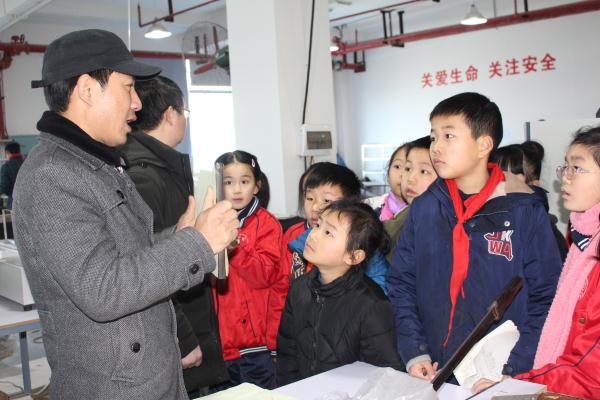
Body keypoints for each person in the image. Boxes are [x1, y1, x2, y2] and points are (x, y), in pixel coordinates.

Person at [13, 29, 239, 400]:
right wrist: (197, 243)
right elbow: (104, 289)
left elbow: (126, 253)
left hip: (147, 377)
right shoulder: (52, 176)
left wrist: (179, 236)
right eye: (129, 87)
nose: (137, 104)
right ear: (88, 89)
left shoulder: (97, 163)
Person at [387, 92, 562, 383]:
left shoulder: (522, 210)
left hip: (498, 372)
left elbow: (546, 296)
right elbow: (401, 282)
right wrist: (414, 351)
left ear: (484, 145)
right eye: (433, 137)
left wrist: (514, 367)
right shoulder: (426, 207)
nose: (436, 147)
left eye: (448, 136)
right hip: (433, 367)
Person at [118, 76, 228, 396]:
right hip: (176, 329)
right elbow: (144, 268)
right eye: (184, 112)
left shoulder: (160, 168)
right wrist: (184, 338)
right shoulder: (144, 178)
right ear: (170, 114)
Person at [473, 126, 600, 398]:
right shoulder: (582, 237)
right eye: (565, 167)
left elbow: (591, 371)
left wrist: (516, 385)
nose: (565, 177)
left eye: (577, 168)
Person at [276, 200, 403, 385]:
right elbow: (287, 354)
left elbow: (386, 375)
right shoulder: (299, 288)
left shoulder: (372, 305)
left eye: (328, 233)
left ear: (354, 256)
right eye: (318, 225)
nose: (314, 235)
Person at [212, 150, 283, 390]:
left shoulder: (267, 224)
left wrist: (235, 247)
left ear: (256, 186)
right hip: (220, 346)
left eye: (244, 181)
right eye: (228, 182)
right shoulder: (210, 222)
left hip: (254, 347)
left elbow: (264, 275)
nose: (236, 189)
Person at [492, 144, 568, 261]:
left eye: (506, 179)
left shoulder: (545, 234)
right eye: (491, 176)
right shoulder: (480, 222)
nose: (496, 185)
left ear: (533, 185)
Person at [384, 136, 438, 262]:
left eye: (424, 171)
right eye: (408, 169)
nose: (410, 179)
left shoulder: (440, 224)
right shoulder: (407, 215)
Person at [364, 144, 408, 221]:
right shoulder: (368, 208)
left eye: (408, 169)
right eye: (397, 167)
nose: (402, 174)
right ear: (388, 175)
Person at [0, 141, 24, 209]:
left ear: (7, 152)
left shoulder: (6, 167)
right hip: (29, 200)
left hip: (14, 202)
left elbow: (4, 188)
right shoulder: (27, 163)